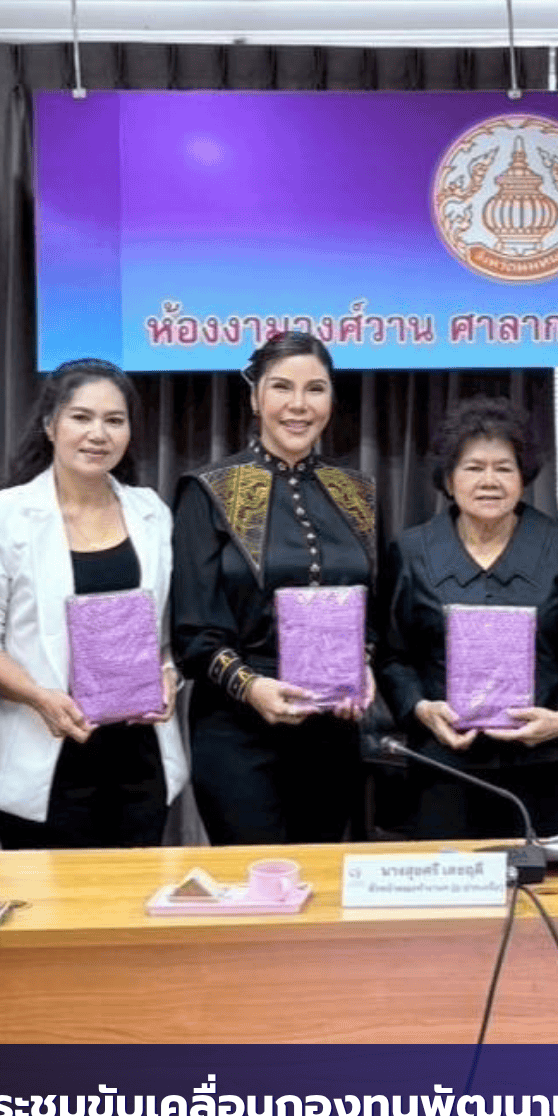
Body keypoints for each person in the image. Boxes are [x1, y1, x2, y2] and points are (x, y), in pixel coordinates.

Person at [0, 358, 188, 848]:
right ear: (50, 425)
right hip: (46, 751)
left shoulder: (152, 513)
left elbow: (168, 635)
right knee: (47, 914)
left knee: (131, 913)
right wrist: (41, 698)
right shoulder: (5, 516)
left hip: (139, 760)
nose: (97, 433)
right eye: (81, 417)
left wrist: (168, 675)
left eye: (114, 420)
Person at [172, 331, 376, 845]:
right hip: (238, 729)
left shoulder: (357, 492)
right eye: (282, 387)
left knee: (325, 888)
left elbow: (374, 611)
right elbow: (192, 632)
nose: (298, 405)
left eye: (316, 389)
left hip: (333, 730)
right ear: (254, 397)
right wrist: (251, 686)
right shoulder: (209, 490)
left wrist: (365, 665)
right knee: (255, 895)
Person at [376, 397, 558, 839]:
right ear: (448, 479)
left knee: (550, 894)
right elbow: (392, 655)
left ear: (524, 477)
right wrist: (420, 709)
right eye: (473, 468)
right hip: (444, 766)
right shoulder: (412, 552)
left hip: (545, 767)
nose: (489, 481)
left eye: (503, 468)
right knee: (451, 900)